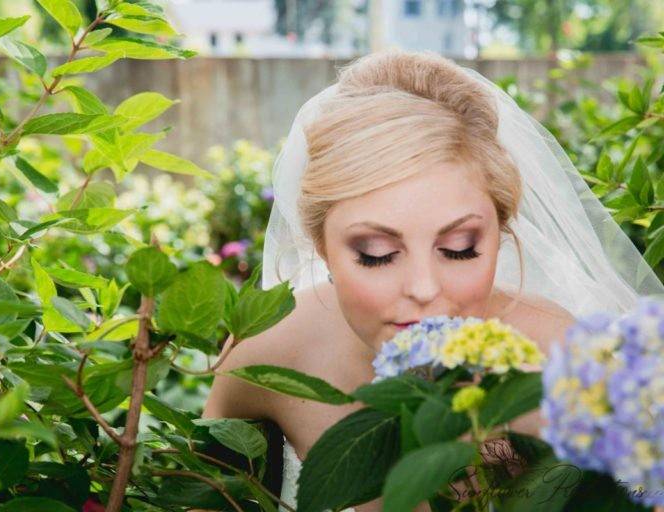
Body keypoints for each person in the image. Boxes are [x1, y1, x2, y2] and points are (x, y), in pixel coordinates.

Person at [200, 49, 664, 511]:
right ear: (321, 245)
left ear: (500, 233)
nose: (423, 288)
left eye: (459, 247)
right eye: (376, 255)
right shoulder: (267, 355)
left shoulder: (565, 367)